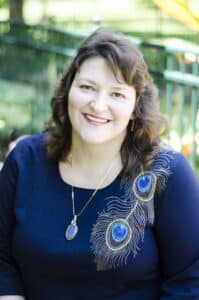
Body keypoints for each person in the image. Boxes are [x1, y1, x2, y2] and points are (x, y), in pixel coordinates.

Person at [0, 28, 199, 300]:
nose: (98, 105)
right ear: (68, 89)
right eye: (87, 87)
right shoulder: (25, 160)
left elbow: (190, 282)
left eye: (116, 94)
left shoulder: (168, 175)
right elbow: (2, 259)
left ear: (135, 108)